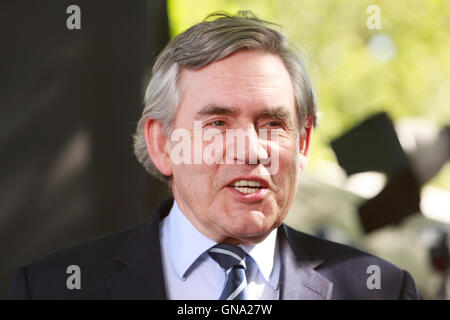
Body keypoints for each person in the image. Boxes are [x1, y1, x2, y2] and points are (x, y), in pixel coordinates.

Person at [9, 11, 419, 300]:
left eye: (273, 125)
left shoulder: (381, 291)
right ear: (163, 143)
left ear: (304, 143)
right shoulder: (51, 288)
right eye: (219, 123)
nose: (252, 150)